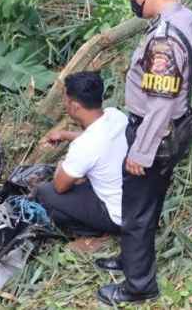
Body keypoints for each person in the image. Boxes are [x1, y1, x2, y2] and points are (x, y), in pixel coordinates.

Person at [95, 0, 192, 305]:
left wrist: (140, 151)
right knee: (146, 202)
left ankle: (139, 285)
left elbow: (160, 102)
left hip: (153, 131)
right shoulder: (188, 18)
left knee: (138, 212)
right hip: (173, 127)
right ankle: (132, 258)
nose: (132, 3)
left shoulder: (164, 37)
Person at [35, 72, 127, 238]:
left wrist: (61, 164)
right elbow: (98, 140)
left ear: (75, 106)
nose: (64, 104)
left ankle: (91, 231)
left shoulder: (84, 146)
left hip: (118, 216)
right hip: (136, 201)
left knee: (44, 192)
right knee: (80, 178)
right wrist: (64, 134)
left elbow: (60, 186)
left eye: (65, 99)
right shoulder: (116, 116)